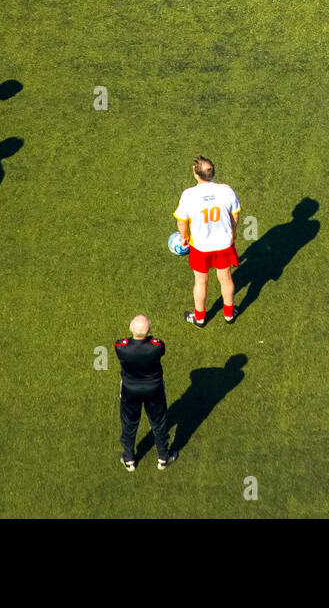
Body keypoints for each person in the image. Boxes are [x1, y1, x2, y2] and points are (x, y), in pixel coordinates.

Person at [173, 156, 241, 327]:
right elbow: (235, 215)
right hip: (224, 244)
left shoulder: (188, 195)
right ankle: (228, 314)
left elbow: (181, 221)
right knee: (225, 278)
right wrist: (233, 233)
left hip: (200, 247)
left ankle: (200, 318)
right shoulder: (226, 190)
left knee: (200, 281)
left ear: (196, 174)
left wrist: (183, 238)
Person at [115, 315, 177, 471]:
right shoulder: (156, 346)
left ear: (131, 329)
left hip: (130, 390)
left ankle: (129, 459)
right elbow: (161, 349)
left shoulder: (121, 346)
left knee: (129, 424)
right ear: (149, 330)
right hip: (153, 390)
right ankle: (163, 457)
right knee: (159, 423)